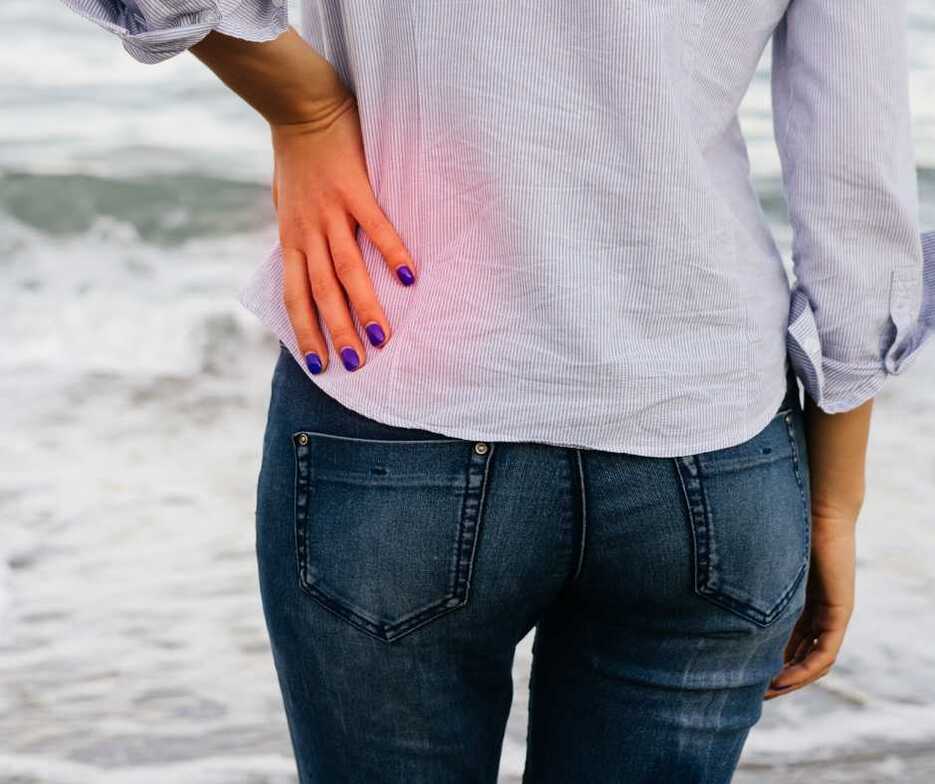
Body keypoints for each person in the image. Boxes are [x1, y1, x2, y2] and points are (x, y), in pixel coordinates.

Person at [61, 1, 935, 782]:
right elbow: (856, 193)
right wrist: (833, 504)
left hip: (395, 408)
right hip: (710, 436)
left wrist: (306, 105)